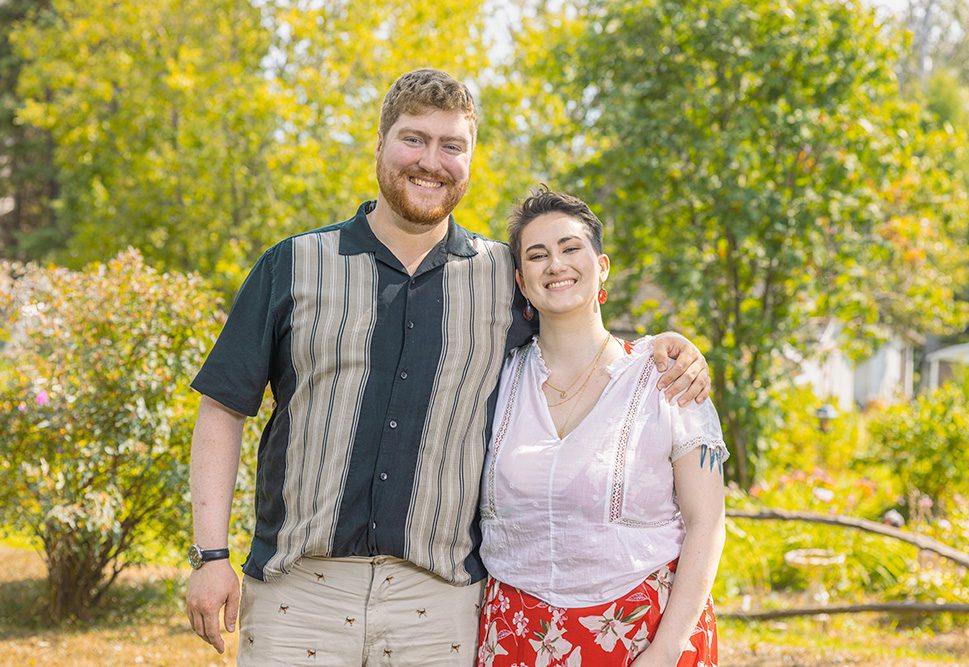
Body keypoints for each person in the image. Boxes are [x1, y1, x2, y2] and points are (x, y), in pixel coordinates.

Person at [185, 69, 711, 666]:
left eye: (451, 146)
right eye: (414, 139)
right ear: (380, 145)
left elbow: (576, 324)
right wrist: (210, 556)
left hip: (437, 605)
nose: (430, 161)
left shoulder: (502, 277)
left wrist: (663, 346)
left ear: (470, 160)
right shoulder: (295, 264)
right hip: (299, 593)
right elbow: (223, 407)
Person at [477, 188, 727, 667]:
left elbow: (707, 522)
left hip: (641, 634)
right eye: (537, 255)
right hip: (515, 634)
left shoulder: (665, 375)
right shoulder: (494, 379)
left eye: (571, 248)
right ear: (521, 281)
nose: (556, 264)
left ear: (602, 265)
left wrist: (667, 649)